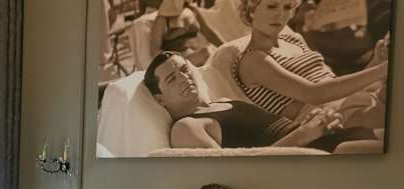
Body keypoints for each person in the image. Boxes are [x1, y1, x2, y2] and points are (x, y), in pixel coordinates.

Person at [144, 51, 381, 153]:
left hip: (322, 139)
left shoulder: (223, 101)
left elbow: (273, 131)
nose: (184, 78)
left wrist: (314, 123)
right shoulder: (186, 127)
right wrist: (304, 134)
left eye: (184, 69)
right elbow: (233, 174)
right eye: (172, 79)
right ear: (159, 99)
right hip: (311, 156)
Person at [233, 0, 388, 128]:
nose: (280, 14)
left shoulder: (293, 39)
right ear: (251, 10)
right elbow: (314, 94)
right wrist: (380, 70)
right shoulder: (252, 60)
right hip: (326, 120)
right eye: (272, 6)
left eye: (287, 7)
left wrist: (377, 60)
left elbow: (334, 85)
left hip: (350, 101)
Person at [149, 0, 211, 66]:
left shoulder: (193, 12)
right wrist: (174, 62)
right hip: (176, 61)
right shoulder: (162, 20)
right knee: (206, 53)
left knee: (208, 53)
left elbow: (208, 35)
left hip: (194, 56)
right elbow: (154, 51)